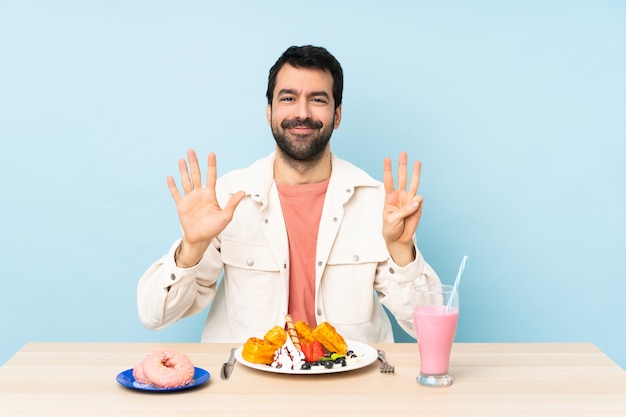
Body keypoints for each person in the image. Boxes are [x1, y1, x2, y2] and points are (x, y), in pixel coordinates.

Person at [137, 45, 440, 344]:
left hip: (350, 386)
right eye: (288, 98)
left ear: (337, 115)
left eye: (318, 99)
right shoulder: (228, 199)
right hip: (249, 386)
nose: (302, 112)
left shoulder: (376, 202)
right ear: (269, 111)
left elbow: (430, 327)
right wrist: (191, 249)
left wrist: (402, 254)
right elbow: (154, 316)